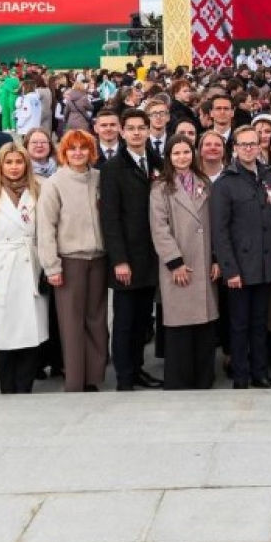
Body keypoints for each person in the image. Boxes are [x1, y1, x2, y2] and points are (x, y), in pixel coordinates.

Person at [0, 141, 49, 394]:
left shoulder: (39, 191)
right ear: (0, 166)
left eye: (19, 162)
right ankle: (7, 385)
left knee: (31, 328)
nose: (14, 168)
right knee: (4, 330)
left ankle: (25, 385)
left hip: (31, 265)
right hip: (2, 269)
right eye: (9, 162)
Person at [37, 129, 108, 392]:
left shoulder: (99, 178)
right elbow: (45, 228)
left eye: (84, 148)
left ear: (92, 151)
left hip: (98, 258)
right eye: (72, 149)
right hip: (70, 260)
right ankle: (75, 379)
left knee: (96, 319)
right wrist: (51, 266)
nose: (78, 153)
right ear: (64, 153)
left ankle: (93, 377)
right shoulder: (54, 183)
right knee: (71, 323)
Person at [99, 108, 164, 391]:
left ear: (149, 130)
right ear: (122, 132)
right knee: (124, 321)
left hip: (151, 255)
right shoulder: (113, 167)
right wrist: (120, 260)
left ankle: (137, 368)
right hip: (127, 257)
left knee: (141, 320)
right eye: (132, 128)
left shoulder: (157, 161)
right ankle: (125, 377)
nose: (137, 132)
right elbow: (110, 217)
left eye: (142, 127)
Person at [149, 134, 220, 390]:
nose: (182, 157)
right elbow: (159, 229)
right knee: (180, 324)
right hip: (180, 264)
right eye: (176, 153)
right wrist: (175, 262)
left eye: (186, 152)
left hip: (204, 261)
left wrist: (215, 258)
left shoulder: (204, 183)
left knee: (204, 324)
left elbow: (214, 225)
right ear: (169, 157)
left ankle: (203, 378)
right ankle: (179, 380)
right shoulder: (161, 188)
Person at [211, 125, 271, 389]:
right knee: (239, 325)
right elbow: (220, 230)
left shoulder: (268, 177)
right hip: (240, 266)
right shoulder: (225, 183)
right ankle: (241, 375)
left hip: (264, 265)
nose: (249, 148)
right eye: (243, 144)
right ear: (235, 148)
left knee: (260, 323)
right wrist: (230, 270)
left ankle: (260, 373)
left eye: (253, 144)